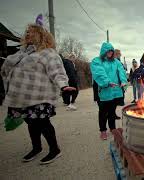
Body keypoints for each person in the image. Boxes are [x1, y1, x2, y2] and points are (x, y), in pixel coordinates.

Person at [1, 22, 76, 164]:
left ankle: (54, 150)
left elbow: (58, 72)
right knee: (30, 122)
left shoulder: (48, 53)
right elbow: (8, 66)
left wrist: (63, 85)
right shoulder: (22, 52)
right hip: (23, 97)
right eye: (27, 31)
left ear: (41, 35)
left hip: (41, 96)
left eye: (32, 31)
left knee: (42, 122)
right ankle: (37, 148)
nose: (28, 34)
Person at [90, 42, 127, 140]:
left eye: (111, 51)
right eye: (108, 51)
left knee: (112, 112)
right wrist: (107, 82)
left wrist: (123, 81)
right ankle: (103, 131)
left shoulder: (116, 61)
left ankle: (113, 129)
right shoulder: (97, 61)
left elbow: (121, 71)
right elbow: (99, 73)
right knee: (103, 112)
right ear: (103, 51)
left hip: (115, 91)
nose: (110, 53)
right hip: (104, 91)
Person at [114, 49, 125, 119]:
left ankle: (113, 114)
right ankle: (112, 114)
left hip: (120, 83)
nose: (120, 55)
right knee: (114, 100)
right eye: (118, 54)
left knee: (116, 100)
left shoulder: (119, 61)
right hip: (115, 83)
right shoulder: (114, 62)